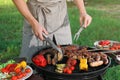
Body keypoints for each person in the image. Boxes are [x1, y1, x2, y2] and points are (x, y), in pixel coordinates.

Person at [12, 0, 92, 63]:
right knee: (31, 63)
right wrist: (33, 22)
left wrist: (83, 12)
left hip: (60, 17)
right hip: (35, 18)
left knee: (66, 59)